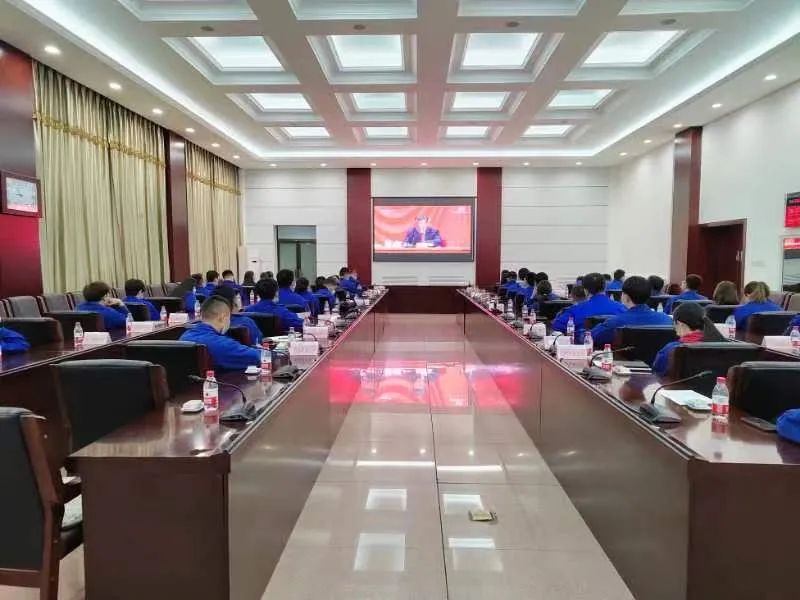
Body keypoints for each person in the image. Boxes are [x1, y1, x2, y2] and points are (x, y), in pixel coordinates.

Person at [180, 297, 260, 371]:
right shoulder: (222, 344)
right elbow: (258, 357)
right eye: (229, 318)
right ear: (222, 318)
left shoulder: (183, 337)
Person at [590, 276, 673, 347]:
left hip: (622, 360)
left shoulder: (615, 322)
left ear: (626, 297)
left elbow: (590, 338)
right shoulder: (667, 320)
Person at [652, 301, 726, 376]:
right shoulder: (722, 346)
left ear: (680, 324)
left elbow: (657, 374)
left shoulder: (670, 350)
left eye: (674, 324)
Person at [552, 272, 625, 342]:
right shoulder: (622, 308)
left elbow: (556, 327)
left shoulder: (574, 310)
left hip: (582, 348)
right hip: (615, 349)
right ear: (605, 287)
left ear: (585, 290)